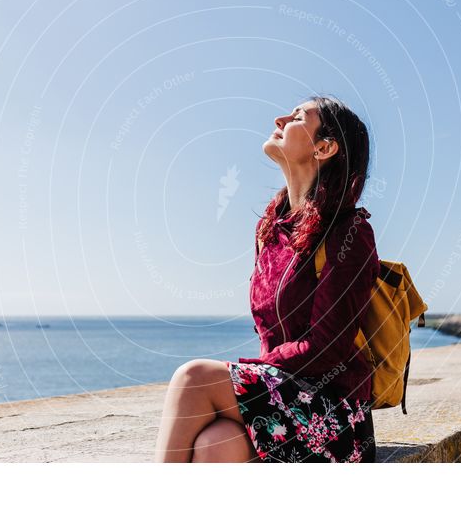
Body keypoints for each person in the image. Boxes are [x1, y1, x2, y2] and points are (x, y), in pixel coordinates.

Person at [154, 95, 380, 462]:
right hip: (284, 401)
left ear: (324, 148)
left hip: (334, 417)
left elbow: (327, 347)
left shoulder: (348, 231)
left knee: (194, 377)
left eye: (296, 117)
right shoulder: (271, 229)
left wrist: (250, 371)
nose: (279, 119)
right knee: (217, 443)